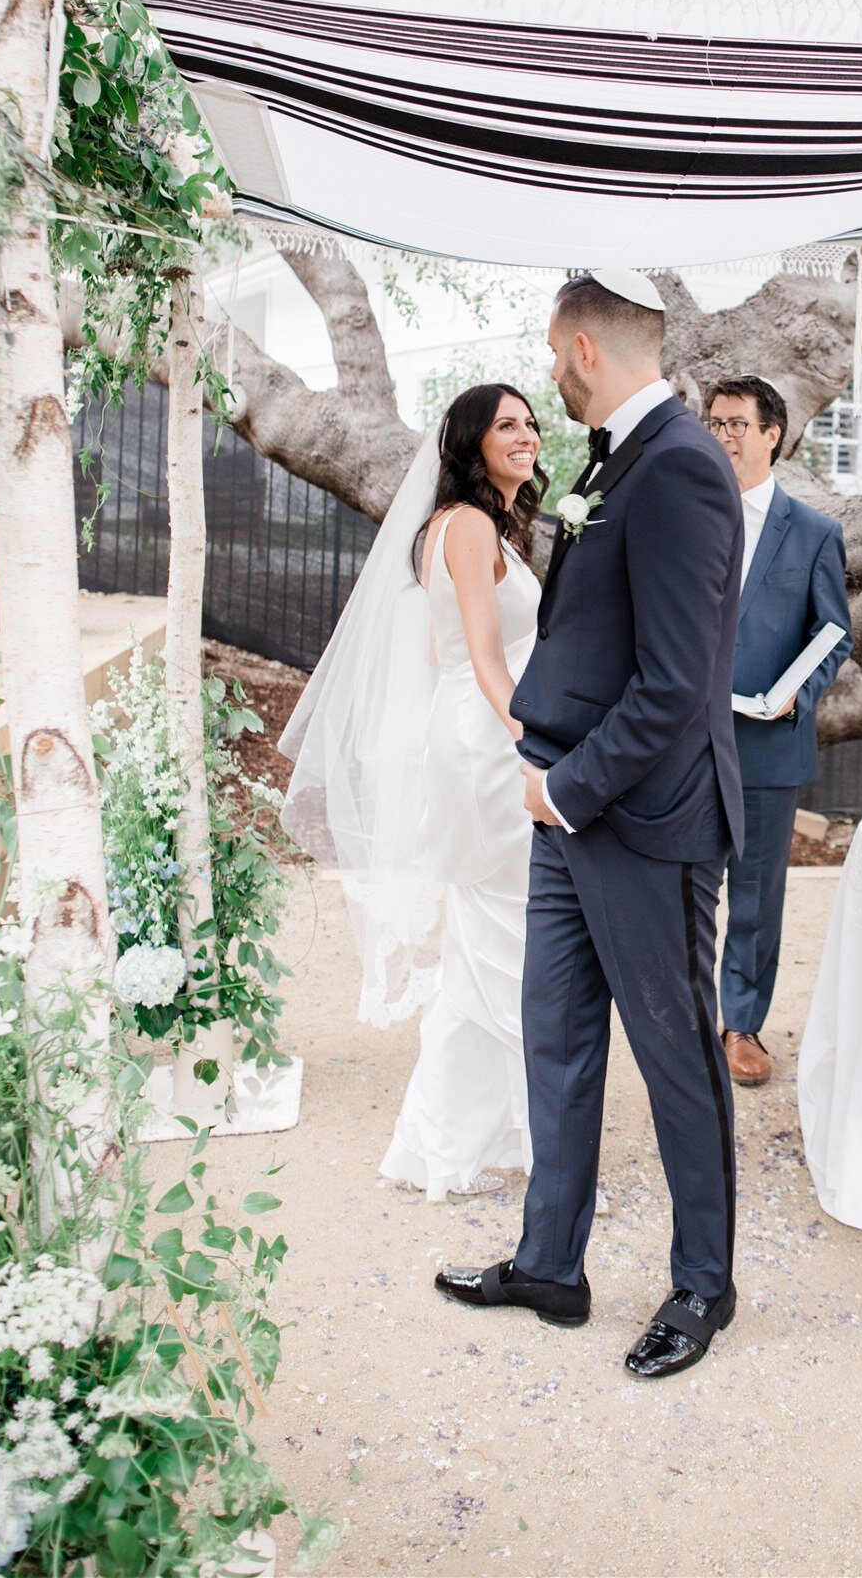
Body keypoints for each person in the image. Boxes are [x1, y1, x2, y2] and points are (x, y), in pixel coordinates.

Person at [436, 268, 745, 1381]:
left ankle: (704, 1284)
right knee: (556, 1038)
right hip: (569, 808)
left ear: (577, 348)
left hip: (644, 817)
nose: (549, 371)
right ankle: (550, 1263)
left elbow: (674, 685)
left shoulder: (679, 470)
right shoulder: (616, 461)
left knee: (676, 1062)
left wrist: (567, 787)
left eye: (549, 355)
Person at [280, 384, 544, 1197]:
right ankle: (476, 1137)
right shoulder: (465, 527)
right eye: (507, 425)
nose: (527, 434)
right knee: (507, 932)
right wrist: (535, 747)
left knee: (488, 940)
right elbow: (483, 660)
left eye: (531, 422)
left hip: (474, 732)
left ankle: (464, 1137)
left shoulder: (475, 526)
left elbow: (443, 660)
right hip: (492, 746)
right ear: (470, 443)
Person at [707, 375, 851, 1089]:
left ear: (773, 435)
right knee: (680, 887)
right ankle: (679, 1018)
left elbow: (834, 633)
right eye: (714, 422)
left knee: (756, 895)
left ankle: (742, 1024)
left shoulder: (816, 532)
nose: (724, 435)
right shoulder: (684, 518)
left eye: (737, 423)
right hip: (682, 741)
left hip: (768, 740)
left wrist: (795, 694)